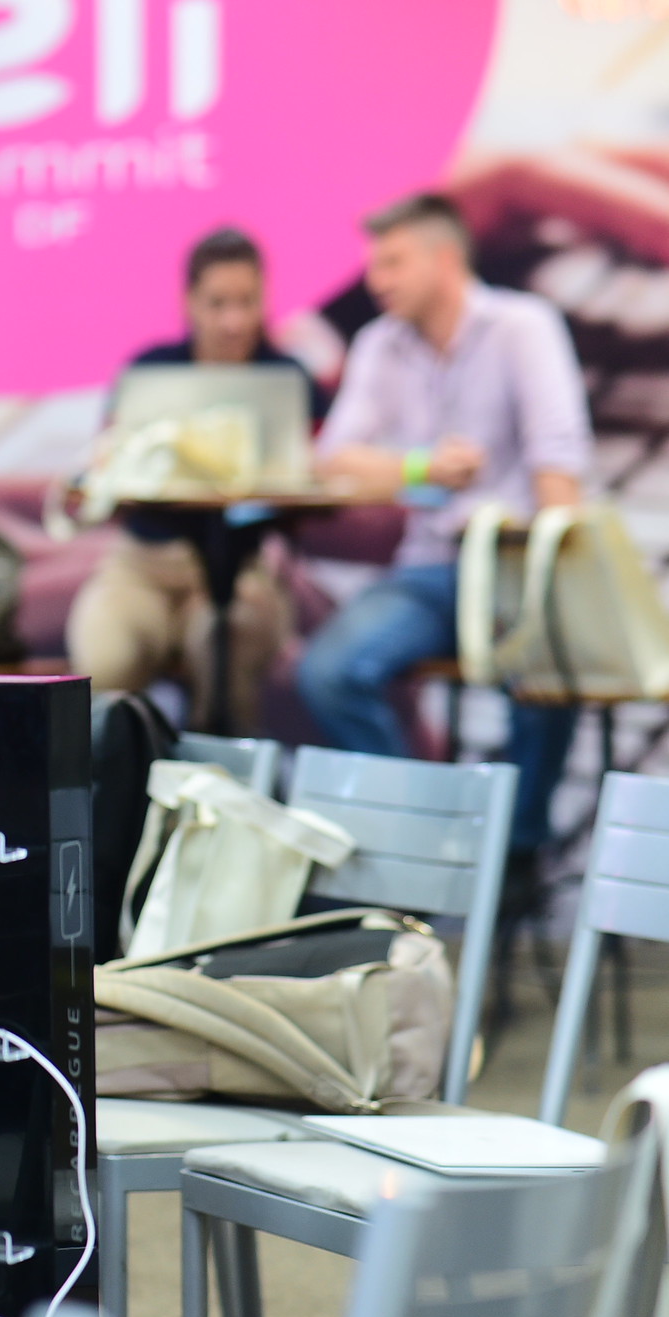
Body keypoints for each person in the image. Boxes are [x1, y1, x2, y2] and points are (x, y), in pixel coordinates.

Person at [298, 192, 587, 864]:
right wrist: (420, 466)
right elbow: (332, 462)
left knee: (545, 677)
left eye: (393, 262)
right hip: (429, 568)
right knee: (328, 672)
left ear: (445, 258)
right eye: (375, 264)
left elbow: (557, 461)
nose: (377, 280)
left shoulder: (521, 326)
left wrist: (552, 589)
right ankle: (424, 844)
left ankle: (514, 852)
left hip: (516, 563)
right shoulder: (379, 343)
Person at [67, 226, 327, 733]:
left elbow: (322, 482)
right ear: (189, 302)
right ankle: (118, 773)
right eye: (218, 303)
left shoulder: (291, 380)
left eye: (247, 302)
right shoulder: (148, 372)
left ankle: (213, 775)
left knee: (227, 649)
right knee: (104, 657)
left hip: (244, 567)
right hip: (143, 565)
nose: (234, 320)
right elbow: (105, 464)